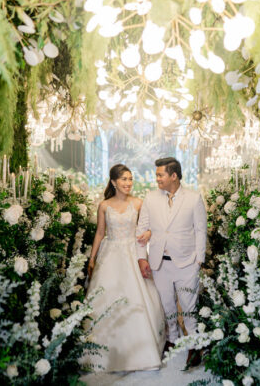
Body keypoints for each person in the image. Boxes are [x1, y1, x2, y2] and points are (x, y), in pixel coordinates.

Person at [83, 164, 166, 372]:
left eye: (130, 179)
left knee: (136, 299)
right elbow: (100, 233)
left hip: (133, 252)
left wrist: (147, 234)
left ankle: (142, 353)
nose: (128, 183)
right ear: (113, 182)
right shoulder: (104, 205)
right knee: (108, 298)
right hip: (110, 256)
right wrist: (92, 259)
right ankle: (105, 353)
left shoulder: (138, 203)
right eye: (124, 179)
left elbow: (151, 228)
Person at [136, 157, 207, 367]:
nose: (157, 178)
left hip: (187, 263)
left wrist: (199, 261)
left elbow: (200, 230)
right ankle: (172, 339)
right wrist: (142, 257)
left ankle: (194, 345)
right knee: (166, 305)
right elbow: (141, 230)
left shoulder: (194, 199)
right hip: (159, 263)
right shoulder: (150, 198)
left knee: (188, 306)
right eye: (157, 174)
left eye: (160, 174)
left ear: (173, 175)